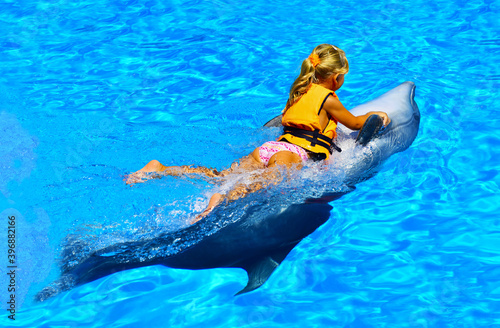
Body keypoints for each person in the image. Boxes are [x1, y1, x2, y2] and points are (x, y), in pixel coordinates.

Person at [126, 44, 390, 221]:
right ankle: (221, 200)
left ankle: (160, 169)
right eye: (342, 76)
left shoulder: (298, 91)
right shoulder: (328, 98)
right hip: (294, 153)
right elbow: (355, 124)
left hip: (269, 149)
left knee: (221, 175)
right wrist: (377, 116)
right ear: (335, 78)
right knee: (264, 184)